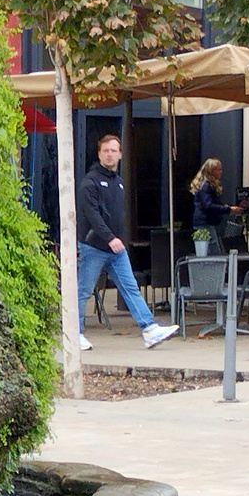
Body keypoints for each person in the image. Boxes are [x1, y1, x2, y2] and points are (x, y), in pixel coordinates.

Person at [76, 134, 180, 351]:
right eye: (106, 150)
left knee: (130, 287)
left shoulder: (119, 183)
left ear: (120, 154)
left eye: (114, 151)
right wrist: (110, 238)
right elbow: (92, 215)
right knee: (84, 290)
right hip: (94, 246)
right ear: (99, 154)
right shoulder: (90, 182)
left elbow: (119, 214)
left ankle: (149, 329)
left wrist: (119, 239)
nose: (110, 154)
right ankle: (75, 333)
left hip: (116, 247)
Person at [190, 158, 246, 252]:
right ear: (211, 171)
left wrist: (227, 208)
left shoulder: (205, 185)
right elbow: (208, 205)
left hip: (205, 223)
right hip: (205, 223)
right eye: (218, 169)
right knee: (213, 252)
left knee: (211, 251)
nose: (221, 172)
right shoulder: (206, 186)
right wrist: (228, 209)